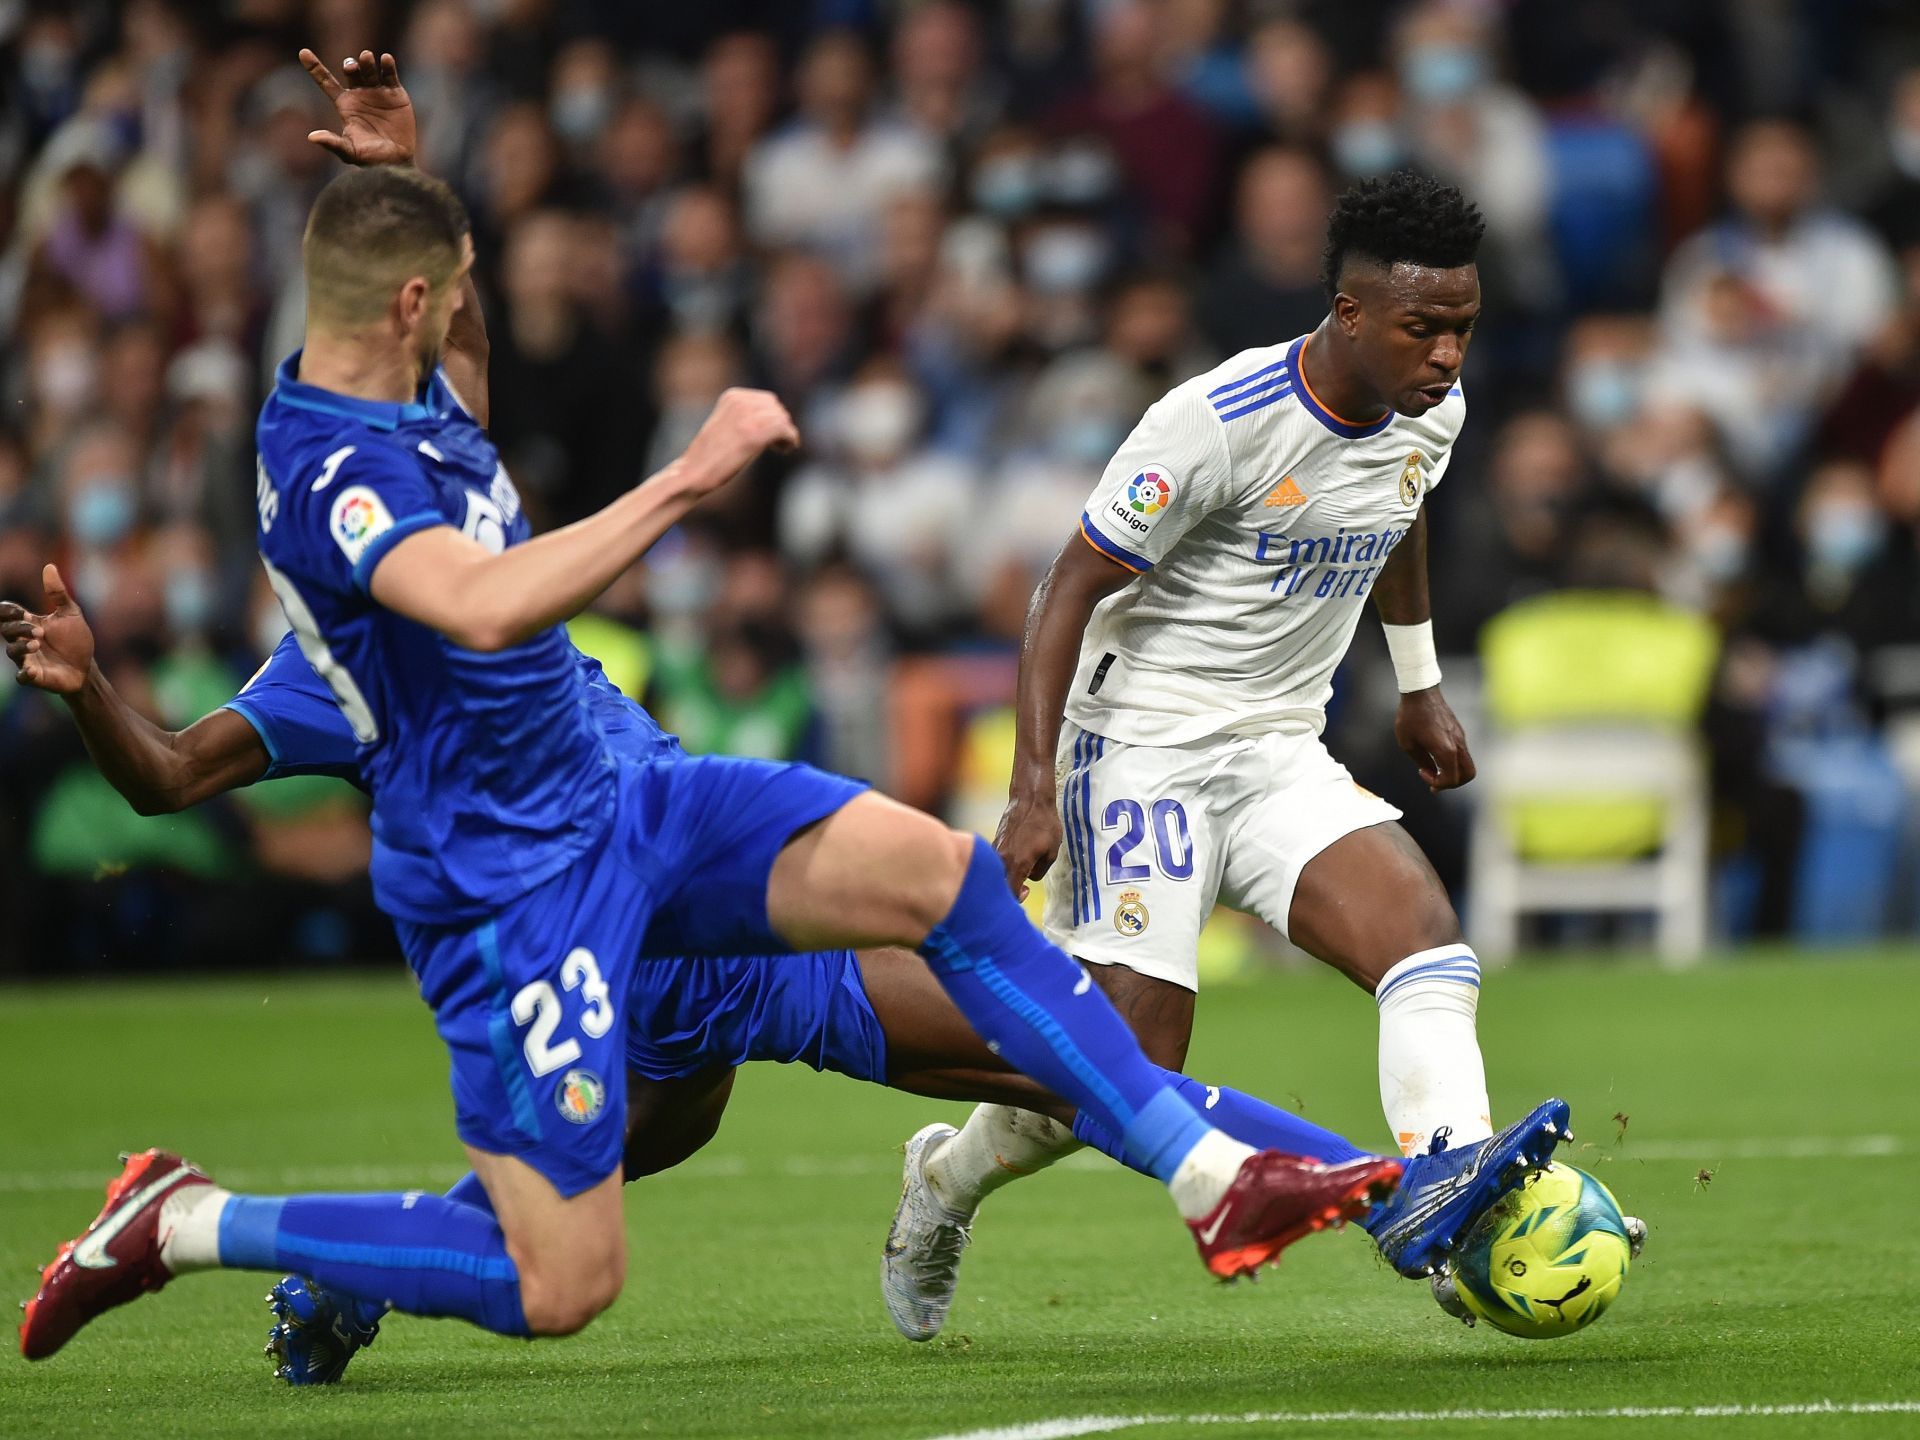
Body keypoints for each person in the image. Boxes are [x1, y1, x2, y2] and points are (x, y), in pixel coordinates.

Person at [17, 49, 1409, 1369]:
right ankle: (192, 1223)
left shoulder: (412, 408)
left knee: (945, 882)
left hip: (636, 805)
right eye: (446, 291)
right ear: (403, 310)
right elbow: (469, 614)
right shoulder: (334, 487)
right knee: (556, 1280)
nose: (462, 315)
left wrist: (401, 178)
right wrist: (691, 476)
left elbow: (467, 358)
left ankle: (1223, 1180)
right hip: (525, 892)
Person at [885, 171, 1573, 1338]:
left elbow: (1398, 508)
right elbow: (1066, 590)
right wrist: (1032, 785)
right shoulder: (1216, 420)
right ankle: (943, 1184)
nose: (1448, 354)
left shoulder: (1429, 411)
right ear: (1350, 313)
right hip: (1141, 749)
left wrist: (1419, 686)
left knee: (1425, 945)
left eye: (1462, 325)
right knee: (1123, 1067)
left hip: (1274, 748)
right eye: (1424, 328)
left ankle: (1454, 1205)